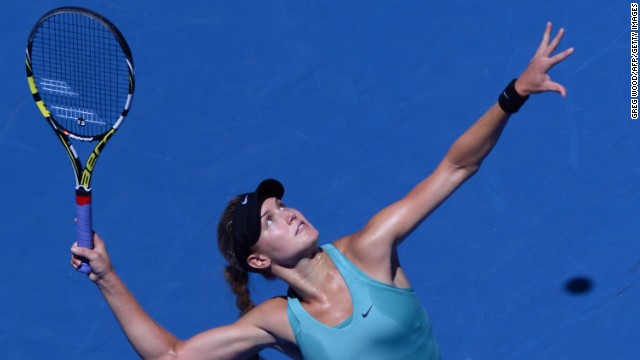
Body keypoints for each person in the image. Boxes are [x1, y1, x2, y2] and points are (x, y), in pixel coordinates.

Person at [71, 22, 573, 359]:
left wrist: (515, 94)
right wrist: (108, 277)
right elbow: (172, 357)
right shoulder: (276, 322)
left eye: (281, 206)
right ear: (260, 261)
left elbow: (457, 166)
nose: (289, 215)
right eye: (270, 221)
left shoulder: (372, 248)